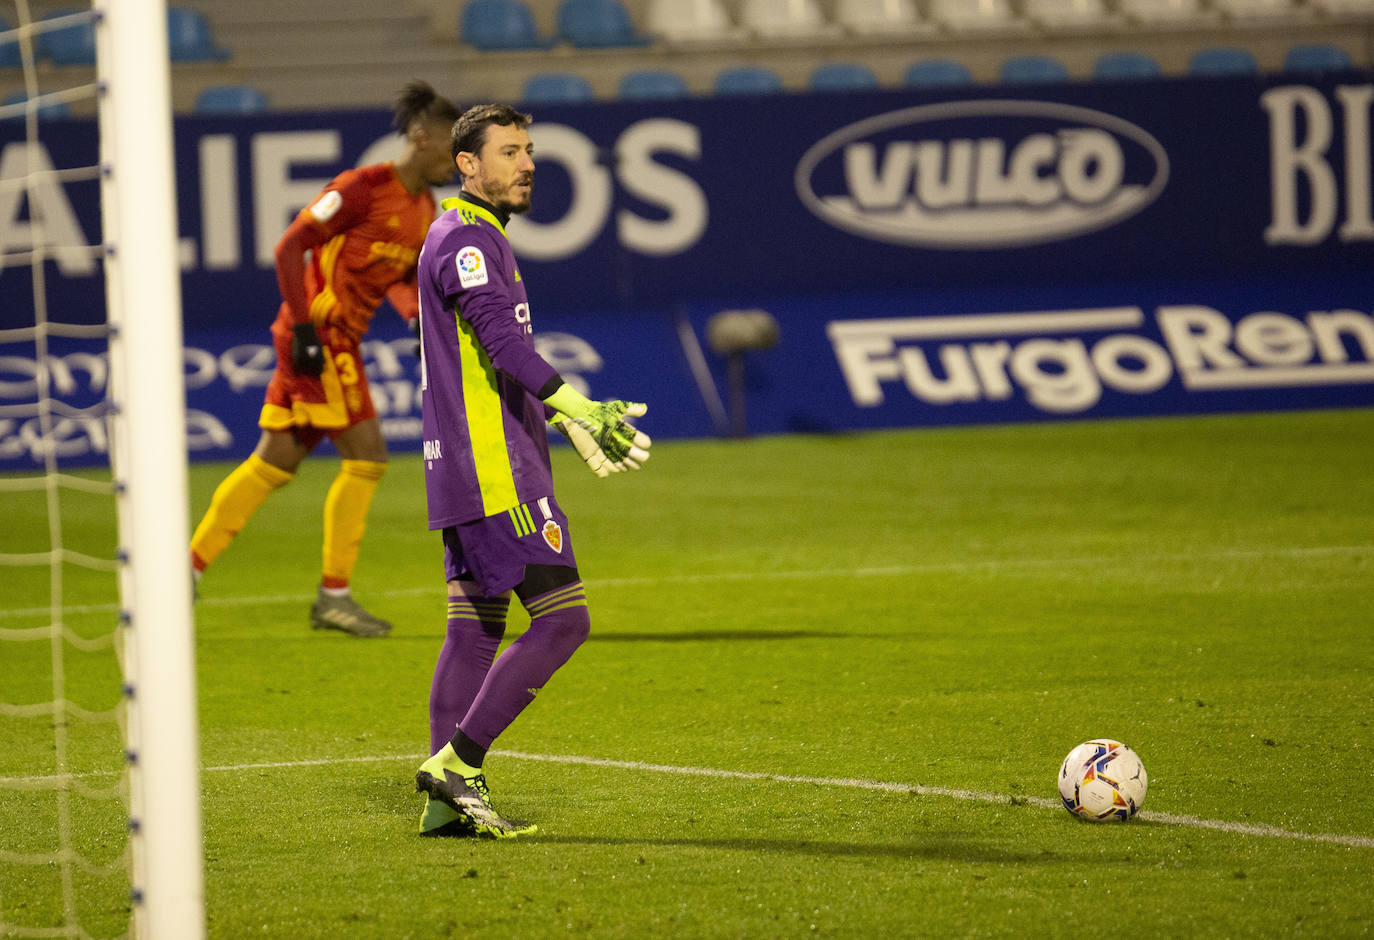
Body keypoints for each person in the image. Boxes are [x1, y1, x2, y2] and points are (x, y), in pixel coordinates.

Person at [412, 104, 651, 838]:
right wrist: (578, 407)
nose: (527, 163)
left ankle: (443, 801)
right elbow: (504, 348)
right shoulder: (468, 242)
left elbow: (486, 365)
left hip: (463, 469)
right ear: (468, 165)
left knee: (475, 629)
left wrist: (549, 416)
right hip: (496, 476)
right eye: (510, 151)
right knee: (564, 620)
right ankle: (459, 763)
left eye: (530, 150)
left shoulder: (468, 237)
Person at [189, 82, 460, 637]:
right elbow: (290, 246)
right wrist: (306, 327)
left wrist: (414, 317)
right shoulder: (360, 189)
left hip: (340, 339)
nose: (455, 161)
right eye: (450, 147)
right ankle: (334, 596)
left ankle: (181, 574)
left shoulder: (422, 207)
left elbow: (404, 277)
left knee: (274, 463)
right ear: (420, 136)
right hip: (319, 337)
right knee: (368, 458)